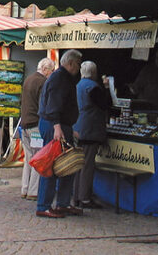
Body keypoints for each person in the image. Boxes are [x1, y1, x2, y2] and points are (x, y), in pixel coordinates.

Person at [35, 49, 83, 219]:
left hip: (62, 125)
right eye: (77, 64)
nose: (79, 67)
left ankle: (62, 203)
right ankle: (44, 205)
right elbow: (53, 104)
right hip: (54, 125)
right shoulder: (60, 78)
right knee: (52, 165)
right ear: (70, 63)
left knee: (67, 165)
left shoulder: (63, 78)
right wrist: (57, 127)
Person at [73, 61, 111, 209]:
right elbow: (105, 104)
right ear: (94, 73)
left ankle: (76, 196)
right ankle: (85, 198)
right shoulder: (93, 88)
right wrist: (106, 87)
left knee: (78, 165)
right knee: (87, 165)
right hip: (90, 130)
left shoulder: (77, 85)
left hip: (78, 128)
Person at [20, 58, 56, 199]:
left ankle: (24, 188)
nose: (51, 74)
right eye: (51, 71)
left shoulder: (28, 79)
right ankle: (33, 191)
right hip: (35, 125)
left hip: (25, 124)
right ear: (45, 69)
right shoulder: (43, 82)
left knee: (29, 158)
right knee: (38, 158)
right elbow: (43, 105)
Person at [128, 43, 158, 111]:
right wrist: (132, 89)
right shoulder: (147, 70)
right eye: (157, 58)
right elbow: (136, 87)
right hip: (147, 109)